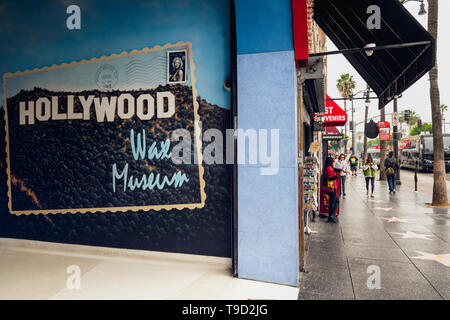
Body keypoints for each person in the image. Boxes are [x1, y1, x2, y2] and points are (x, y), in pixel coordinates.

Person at [322, 156, 339, 223]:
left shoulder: (330, 168)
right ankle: (331, 216)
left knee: (336, 201)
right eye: (333, 161)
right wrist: (337, 176)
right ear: (331, 162)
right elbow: (330, 178)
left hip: (332, 187)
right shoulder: (329, 168)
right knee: (333, 202)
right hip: (331, 187)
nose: (334, 162)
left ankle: (332, 215)